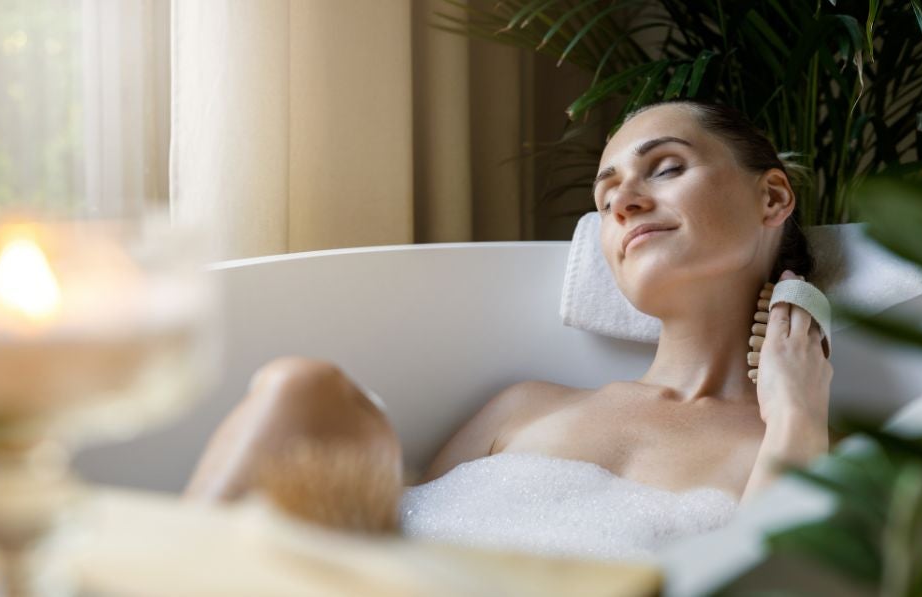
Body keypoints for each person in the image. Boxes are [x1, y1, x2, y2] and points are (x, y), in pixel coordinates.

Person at [185, 99, 832, 543]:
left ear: (771, 196)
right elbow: (399, 528)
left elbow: (779, 575)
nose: (627, 203)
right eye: (606, 200)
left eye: (665, 168)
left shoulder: (794, 446)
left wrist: (797, 417)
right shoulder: (521, 406)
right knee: (307, 391)